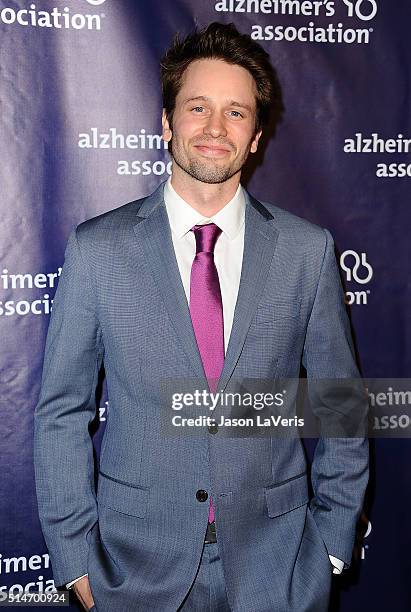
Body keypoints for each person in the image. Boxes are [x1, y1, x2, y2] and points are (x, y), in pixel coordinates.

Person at [34, 22, 369, 612]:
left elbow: (341, 401)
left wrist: (333, 548)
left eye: (236, 112)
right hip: (133, 571)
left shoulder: (307, 250)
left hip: (279, 570)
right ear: (167, 123)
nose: (216, 128)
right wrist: (76, 561)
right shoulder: (97, 249)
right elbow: (62, 410)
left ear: (257, 135)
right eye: (198, 107)